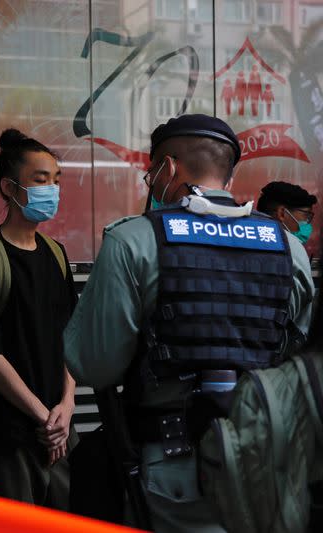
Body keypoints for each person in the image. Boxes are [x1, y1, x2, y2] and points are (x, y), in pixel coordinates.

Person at [64, 114, 315, 532]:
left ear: (169, 168)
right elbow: (298, 357)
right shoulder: (289, 247)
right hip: (269, 461)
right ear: (228, 172)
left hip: (173, 464)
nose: (151, 182)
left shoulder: (133, 240)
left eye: (151, 173)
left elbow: (96, 365)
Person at [0, 128, 78, 509]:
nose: (51, 189)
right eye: (41, 180)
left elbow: (71, 336)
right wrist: (44, 418)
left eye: (56, 180)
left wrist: (67, 406)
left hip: (59, 428)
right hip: (10, 432)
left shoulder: (57, 253)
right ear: (9, 188)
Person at [257, 180, 317, 245]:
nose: (307, 223)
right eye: (306, 215)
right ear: (282, 213)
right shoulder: (293, 250)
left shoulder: (250, 241)